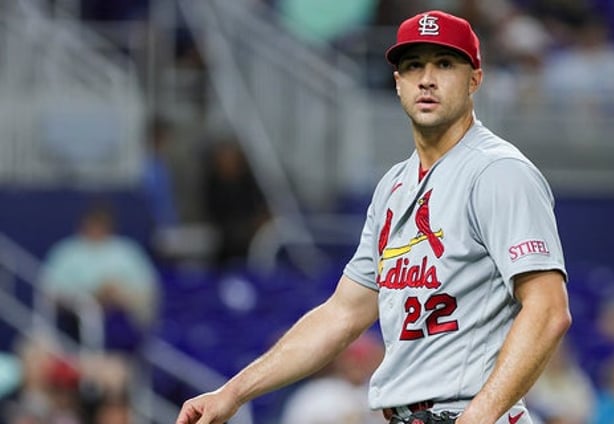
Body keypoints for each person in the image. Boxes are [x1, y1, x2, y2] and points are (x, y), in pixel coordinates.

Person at [176, 10, 571, 424]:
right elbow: (342, 314)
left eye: (445, 63)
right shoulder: (393, 188)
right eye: (413, 65)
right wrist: (233, 392)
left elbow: (547, 310)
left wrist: (478, 417)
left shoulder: (498, 172)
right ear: (398, 83)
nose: (427, 78)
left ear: (475, 79)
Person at [40, 203, 160, 352]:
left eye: (101, 224)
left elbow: (148, 289)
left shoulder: (127, 251)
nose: (96, 229)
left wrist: (119, 295)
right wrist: (92, 298)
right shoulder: (67, 252)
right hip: (74, 324)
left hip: (123, 322)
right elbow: (50, 292)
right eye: (92, 224)